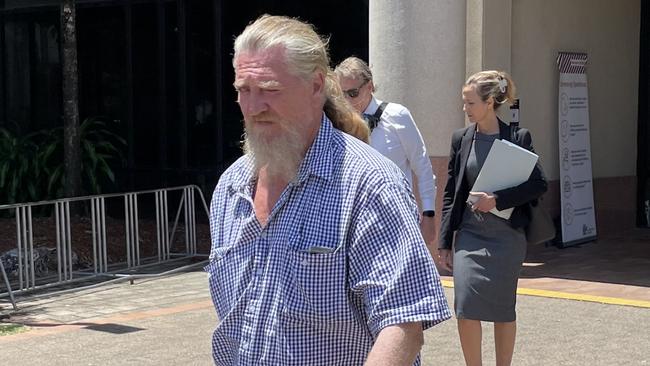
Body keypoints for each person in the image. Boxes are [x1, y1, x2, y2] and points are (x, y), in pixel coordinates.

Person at [206, 15, 451, 366]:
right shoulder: (231, 188)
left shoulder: (369, 184)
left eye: (270, 90)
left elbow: (403, 323)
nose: (253, 108)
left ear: (316, 86)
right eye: (244, 90)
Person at [437, 70, 548, 366]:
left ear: (489, 103)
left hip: (507, 238)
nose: (464, 108)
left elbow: (539, 184)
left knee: (503, 309)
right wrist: (445, 242)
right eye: (464, 102)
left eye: (470, 102)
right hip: (470, 236)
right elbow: (451, 194)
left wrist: (497, 200)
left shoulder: (518, 137)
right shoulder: (461, 139)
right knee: (465, 306)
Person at [335, 57, 439, 250]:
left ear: (370, 86)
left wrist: (429, 214)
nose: (348, 101)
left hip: (396, 215)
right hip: (354, 218)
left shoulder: (397, 115)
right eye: (342, 95)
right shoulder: (339, 123)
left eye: (353, 93)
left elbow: (422, 166)